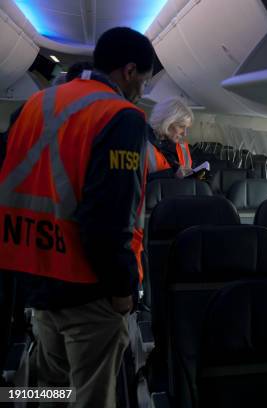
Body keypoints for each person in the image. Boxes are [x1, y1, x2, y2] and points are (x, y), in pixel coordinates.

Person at [0, 26, 154, 407]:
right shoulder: (122, 117)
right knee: (92, 397)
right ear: (129, 70)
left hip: (36, 276)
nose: (142, 91)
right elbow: (108, 219)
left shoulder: (32, 107)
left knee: (50, 388)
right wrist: (122, 290)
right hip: (90, 288)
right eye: (143, 81)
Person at [147, 97, 194, 178]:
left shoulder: (183, 147)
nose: (185, 133)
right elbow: (137, 184)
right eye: (181, 126)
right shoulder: (142, 145)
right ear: (167, 122)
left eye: (187, 128)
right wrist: (172, 175)